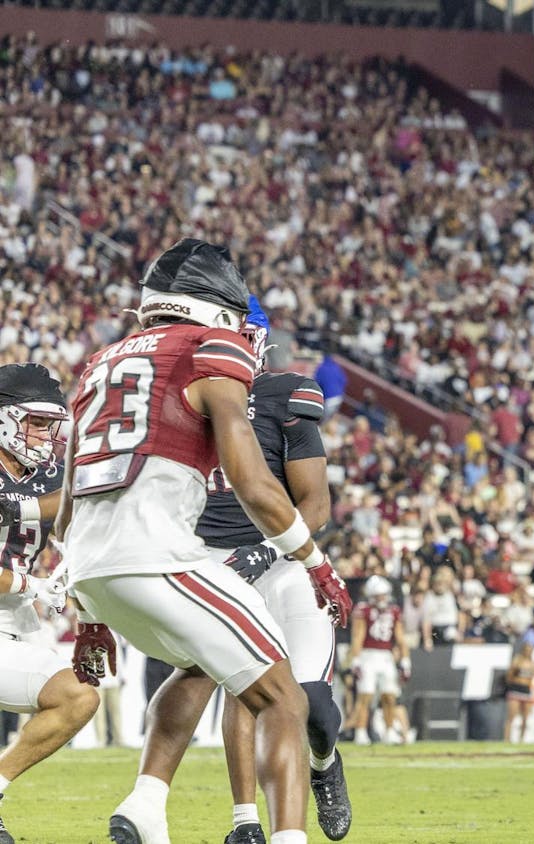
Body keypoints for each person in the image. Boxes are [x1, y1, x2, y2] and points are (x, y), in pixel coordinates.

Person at [57, 238, 352, 844]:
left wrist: (88, 615)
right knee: (284, 698)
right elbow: (253, 484)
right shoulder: (213, 346)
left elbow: (66, 511)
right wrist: (315, 560)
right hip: (161, 554)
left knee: (196, 665)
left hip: (88, 565)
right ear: (218, 309)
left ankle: (144, 806)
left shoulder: (102, 361)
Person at [192, 295, 351, 842]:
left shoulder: (285, 395)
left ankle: (324, 763)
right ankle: (245, 823)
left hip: (284, 563)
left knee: (313, 706)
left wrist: (268, 549)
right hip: (214, 561)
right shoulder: (179, 396)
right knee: (245, 686)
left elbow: (316, 503)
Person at [0, 364, 98, 844]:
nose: (45, 434)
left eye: (49, 423)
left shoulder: (44, 477)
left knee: (78, 697)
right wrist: (28, 584)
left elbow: (70, 510)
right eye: (35, 422)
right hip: (11, 609)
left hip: (16, 624)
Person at [346, 576, 410, 746]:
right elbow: (358, 636)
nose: (382, 598)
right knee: (365, 695)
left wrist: (405, 660)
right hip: (368, 655)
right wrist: (356, 659)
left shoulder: (394, 611)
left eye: (384, 595)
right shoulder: (363, 610)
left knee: (389, 696)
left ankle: (389, 732)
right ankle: (360, 732)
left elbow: (400, 637)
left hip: (386, 656)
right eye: (379, 595)